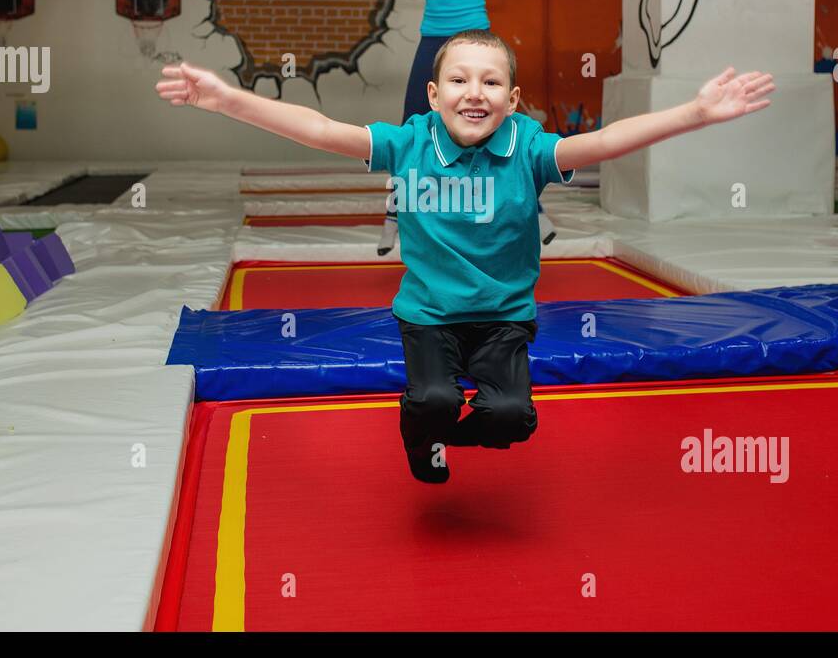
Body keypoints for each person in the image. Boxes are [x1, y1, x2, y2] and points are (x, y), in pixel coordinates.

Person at [155, 29, 774, 483]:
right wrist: (229, 99)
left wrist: (696, 112)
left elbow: (606, 141)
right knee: (433, 401)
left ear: (512, 97)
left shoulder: (528, 147)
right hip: (427, 313)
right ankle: (419, 434)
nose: (474, 93)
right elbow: (321, 130)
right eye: (458, 80)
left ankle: (435, 434)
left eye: (491, 81)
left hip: (502, 316)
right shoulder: (409, 143)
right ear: (432, 93)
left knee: (511, 417)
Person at [333, 0, 610, 255]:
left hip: (474, 37)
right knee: (413, 124)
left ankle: (533, 206)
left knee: (495, 122)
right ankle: (395, 213)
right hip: (433, 38)